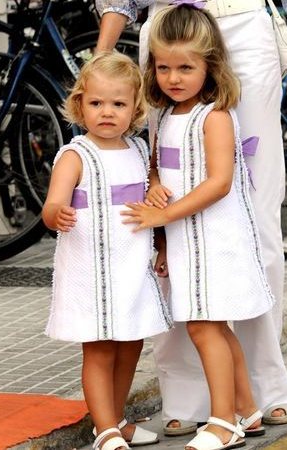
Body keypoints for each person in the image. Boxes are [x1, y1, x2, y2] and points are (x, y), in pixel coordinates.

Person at [94, 0, 287, 434]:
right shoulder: (166, 76)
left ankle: (263, 387)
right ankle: (187, 392)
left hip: (244, 28)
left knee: (257, 223)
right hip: (166, 28)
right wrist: (102, 57)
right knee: (167, 209)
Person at [43, 51, 171, 450]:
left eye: (118, 104)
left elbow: (151, 202)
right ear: (80, 104)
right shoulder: (76, 155)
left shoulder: (137, 152)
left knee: (130, 343)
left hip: (131, 267)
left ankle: (112, 420)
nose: (107, 112)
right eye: (97, 103)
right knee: (99, 348)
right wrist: (56, 215)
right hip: (91, 270)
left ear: (135, 108)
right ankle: (107, 429)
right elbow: (51, 205)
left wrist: (161, 238)